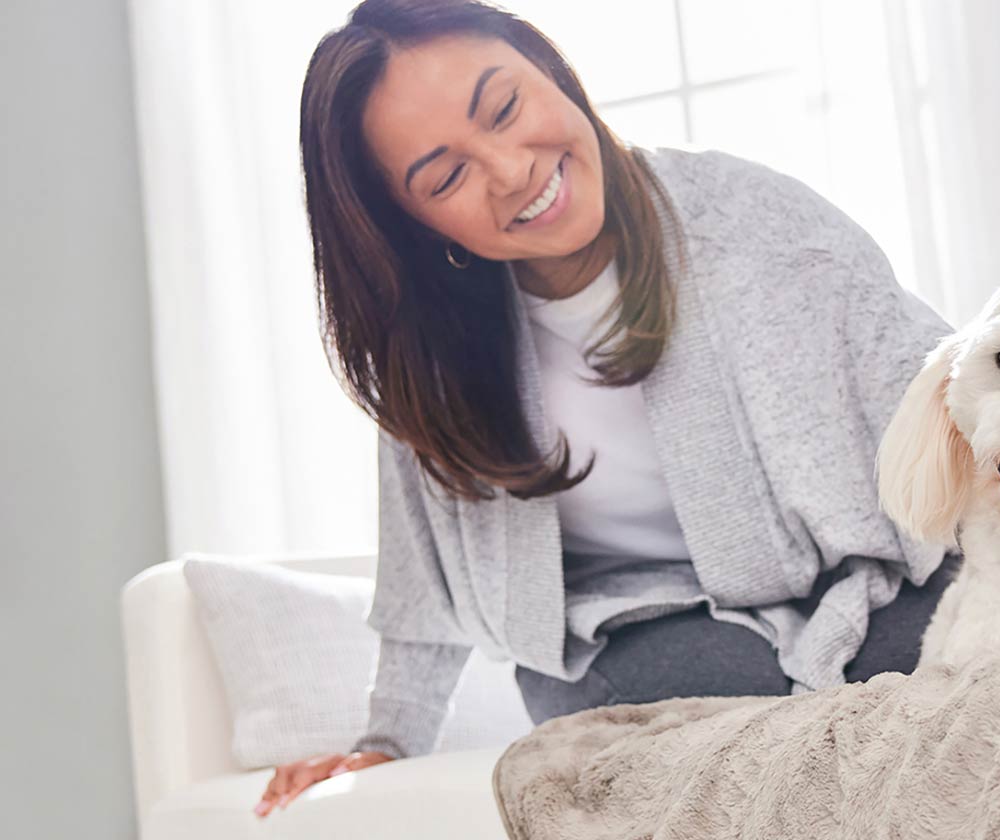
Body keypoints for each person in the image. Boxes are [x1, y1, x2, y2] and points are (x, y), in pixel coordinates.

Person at [255, 0, 957, 817]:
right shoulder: (435, 355)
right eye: (446, 176)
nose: (511, 169)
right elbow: (422, 581)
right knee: (672, 696)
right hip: (642, 640)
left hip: (858, 596)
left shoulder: (761, 229)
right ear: (413, 224)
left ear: (550, 69)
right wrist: (388, 745)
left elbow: (952, 402)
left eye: (506, 108)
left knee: (942, 638)